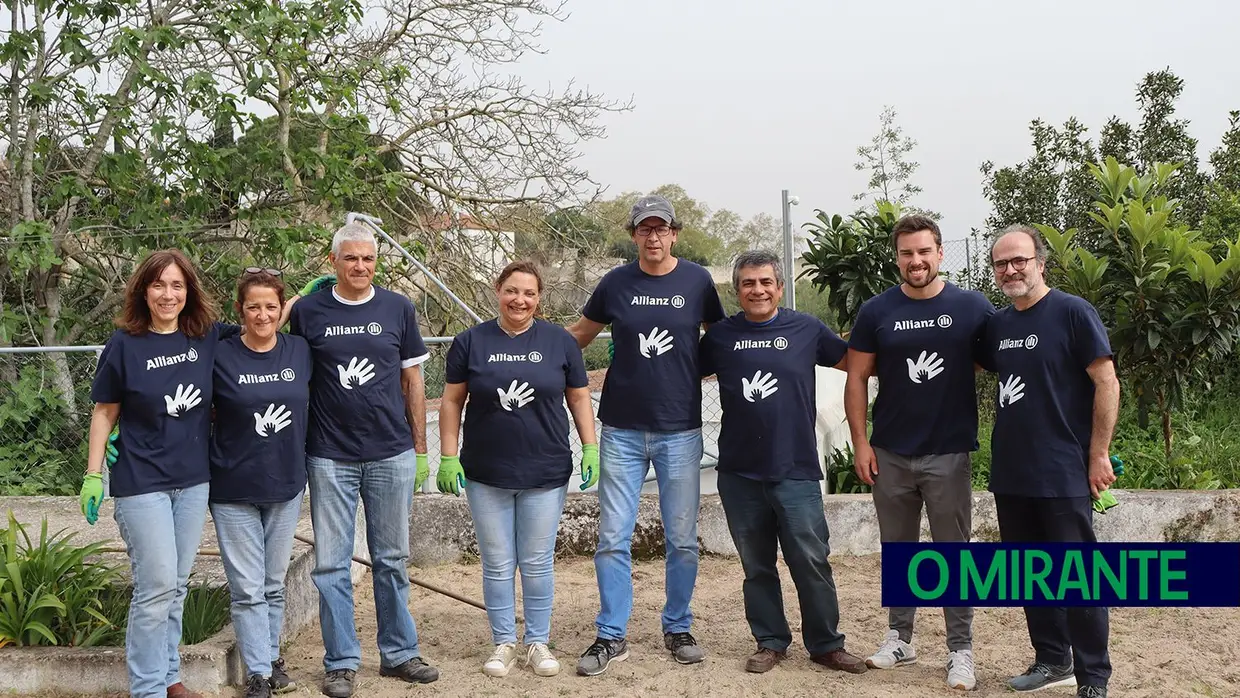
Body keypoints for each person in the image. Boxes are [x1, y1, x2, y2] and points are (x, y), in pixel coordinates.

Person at [566, 194, 726, 676]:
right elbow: (579, 335)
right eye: (644, 229)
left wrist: (685, 374)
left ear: (675, 234)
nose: (653, 237)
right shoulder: (615, 283)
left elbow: (721, 341)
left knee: (680, 539)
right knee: (613, 538)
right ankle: (611, 635)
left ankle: (677, 626)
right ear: (634, 235)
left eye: (661, 229)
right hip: (621, 430)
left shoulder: (698, 281)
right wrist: (524, 342)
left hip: (680, 430)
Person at [286, 222, 438, 697]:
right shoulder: (309, 311)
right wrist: (293, 300)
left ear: (377, 262)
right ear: (333, 262)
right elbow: (284, 358)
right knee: (331, 564)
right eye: (350, 258)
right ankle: (341, 661)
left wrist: (420, 449)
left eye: (368, 258)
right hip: (329, 454)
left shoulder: (398, 308)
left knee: (392, 559)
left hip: (390, 453)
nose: (360, 266)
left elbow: (414, 381)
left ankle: (398, 653)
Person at [699, 250, 868, 676]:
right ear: (736, 290)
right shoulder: (719, 337)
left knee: (811, 559)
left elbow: (857, 365)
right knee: (756, 565)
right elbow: (678, 374)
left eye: (765, 282)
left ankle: (827, 644)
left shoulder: (806, 329)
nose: (757, 290)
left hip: (795, 468)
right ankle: (770, 641)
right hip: (738, 471)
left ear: (778, 286)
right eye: (748, 283)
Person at [844, 214, 995, 690]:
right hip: (889, 452)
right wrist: (861, 443)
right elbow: (856, 377)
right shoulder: (875, 311)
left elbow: (998, 359)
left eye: (924, 251)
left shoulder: (972, 307)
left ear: (939, 253)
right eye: (907, 253)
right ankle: (900, 638)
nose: (916, 261)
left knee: (954, 555)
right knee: (899, 550)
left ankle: (960, 650)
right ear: (897, 257)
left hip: (948, 452)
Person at [80, 249, 233, 698]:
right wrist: (93, 474)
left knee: (177, 585)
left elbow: (261, 322)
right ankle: (146, 689)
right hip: (140, 480)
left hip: (192, 480)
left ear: (189, 291)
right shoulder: (123, 344)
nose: (168, 294)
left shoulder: (204, 336)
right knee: (157, 583)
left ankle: (169, 678)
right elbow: (104, 412)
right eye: (159, 285)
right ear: (143, 290)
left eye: (177, 285)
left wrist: (302, 297)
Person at [436, 260, 599, 679]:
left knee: (538, 560)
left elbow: (579, 398)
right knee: (496, 561)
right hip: (486, 471)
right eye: (512, 291)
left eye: (528, 293)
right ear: (498, 291)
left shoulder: (560, 342)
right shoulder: (470, 342)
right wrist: (448, 454)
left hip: (545, 470)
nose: (519, 300)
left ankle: (538, 642)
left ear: (539, 297)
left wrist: (590, 446)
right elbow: (452, 400)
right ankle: (503, 642)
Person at [982, 225, 1120, 698]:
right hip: (1011, 473)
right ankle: (1052, 659)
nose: (1010, 269)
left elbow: (1106, 382)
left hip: (1063, 470)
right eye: (1001, 263)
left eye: (1019, 260)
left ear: (1041, 262)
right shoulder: (999, 325)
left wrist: (1098, 453)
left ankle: (1093, 676)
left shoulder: (1072, 313)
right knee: (1029, 572)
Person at [208, 269, 312, 698]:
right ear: (240, 310)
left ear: (281, 309)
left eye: (272, 306)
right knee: (248, 588)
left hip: (285, 484)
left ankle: (269, 659)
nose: (263, 314)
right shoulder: (219, 353)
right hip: (233, 486)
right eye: (253, 306)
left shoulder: (300, 350)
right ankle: (257, 673)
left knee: (273, 583)